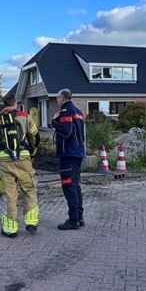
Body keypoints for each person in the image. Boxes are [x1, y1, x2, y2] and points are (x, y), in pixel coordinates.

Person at [0, 94, 39, 238]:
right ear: (15, 103)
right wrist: (32, 153)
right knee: (29, 190)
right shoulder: (25, 116)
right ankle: (31, 222)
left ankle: (10, 229)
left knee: (9, 195)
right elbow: (35, 136)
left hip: (4, 160)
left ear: (4, 105)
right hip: (23, 157)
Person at [50, 89, 86, 230]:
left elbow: (66, 131)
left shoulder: (65, 112)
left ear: (63, 98)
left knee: (69, 186)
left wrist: (54, 122)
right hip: (77, 153)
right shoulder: (78, 111)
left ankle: (73, 220)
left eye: (57, 97)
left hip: (68, 154)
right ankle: (79, 217)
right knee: (75, 186)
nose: (56, 100)